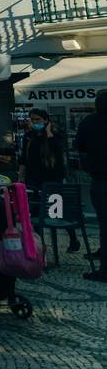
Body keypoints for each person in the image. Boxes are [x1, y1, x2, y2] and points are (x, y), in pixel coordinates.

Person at [18, 107, 80, 252]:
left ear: (46, 120)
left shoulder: (55, 136)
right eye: (32, 120)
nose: (35, 122)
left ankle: (73, 239)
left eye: (38, 120)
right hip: (33, 179)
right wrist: (21, 177)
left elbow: (59, 153)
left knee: (57, 212)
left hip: (53, 179)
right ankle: (40, 244)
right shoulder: (29, 136)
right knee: (36, 212)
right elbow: (23, 158)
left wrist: (49, 133)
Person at [75, 89, 107, 280]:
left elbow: (80, 148)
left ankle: (105, 268)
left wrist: (89, 166)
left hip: (101, 181)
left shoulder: (89, 122)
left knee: (104, 223)